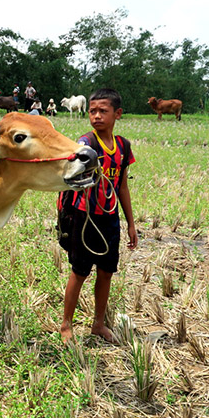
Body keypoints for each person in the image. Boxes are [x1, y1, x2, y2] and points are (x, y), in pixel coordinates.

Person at [58, 88, 138, 344]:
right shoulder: (85, 144)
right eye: (92, 111)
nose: (96, 116)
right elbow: (68, 178)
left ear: (118, 114)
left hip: (110, 219)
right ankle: (66, 326)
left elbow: (122, 185)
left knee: (106, 272)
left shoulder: (123, 146)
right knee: (79, 272)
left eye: (103, 111)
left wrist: (130, 224)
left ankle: (98, 324)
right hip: (85, 218)